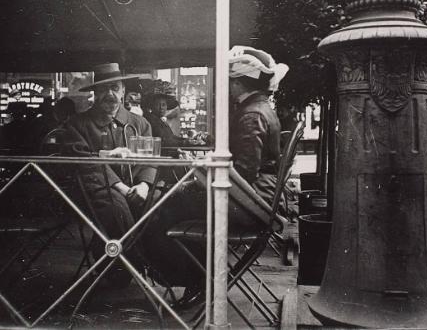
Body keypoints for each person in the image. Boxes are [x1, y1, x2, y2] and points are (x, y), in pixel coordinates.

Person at [141, 46, 289, 295]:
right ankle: (199, 278)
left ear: (241, 84)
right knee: (182, 201)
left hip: (251, 204)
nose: (228, 87)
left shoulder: (251, 115)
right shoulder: (260, 109)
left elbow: (243, 174)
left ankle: (188, 277)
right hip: (259, 201)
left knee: (163, 208)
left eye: (231, 81)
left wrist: (200, 181)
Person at [65, 63, 154, 284]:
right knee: (116, 208)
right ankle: (141, 263)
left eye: (115, 87)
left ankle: (122, 263)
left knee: (161, 204)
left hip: (137, 188)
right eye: (104, 89)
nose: (110, 94)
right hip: (96, 190)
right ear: (95, 93)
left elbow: (150, 161)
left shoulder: (140, 123)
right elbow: (85, 163)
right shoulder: (78, 124)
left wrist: (143, 186)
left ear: (123, 90)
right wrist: (122, 188)